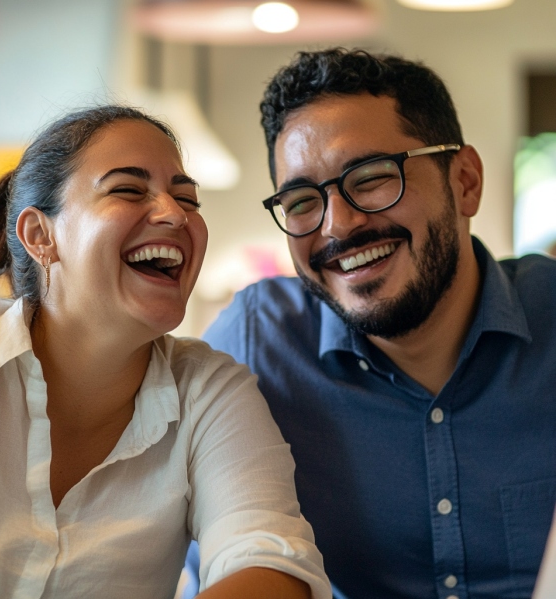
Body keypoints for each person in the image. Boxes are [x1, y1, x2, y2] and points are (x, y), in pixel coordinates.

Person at [195, 49, 556, 598]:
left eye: (370, 178)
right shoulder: (257, 345)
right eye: (300, 202)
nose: (339, 225)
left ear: (465, 182)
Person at [0, 105, 331, 599]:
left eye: (187, 198)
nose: (175, 214)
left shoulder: (209, 390)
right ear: (40, 237)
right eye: (128, 190)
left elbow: (268, 563)